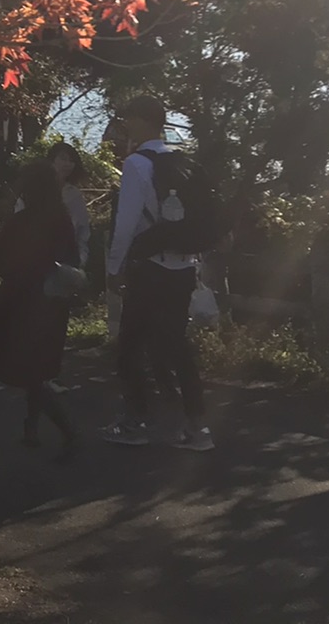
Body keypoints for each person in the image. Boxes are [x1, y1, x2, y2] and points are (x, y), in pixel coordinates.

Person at [102, 96, 212, 451]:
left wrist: (113, 267)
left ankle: (136, 421)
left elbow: (126, 222)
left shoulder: (136, 164)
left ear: (143, 122)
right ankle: (197, 428)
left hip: (149, 268)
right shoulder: (180, 160)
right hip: (183, 266)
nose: (126, 124)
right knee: (177, 346)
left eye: (129, 118)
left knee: (130, 347)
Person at [0, 160, 83, 454]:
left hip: (22, 302)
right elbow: (73, 258)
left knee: (29, 371)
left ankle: (68, 430)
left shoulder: (23, 220)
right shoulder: (62, 218)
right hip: (54, 301)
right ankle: (31, 428)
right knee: (39, 368)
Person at [14, 140, 93, 267]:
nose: (67, 164)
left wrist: (81, 260)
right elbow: (18, 225)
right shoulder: (32, 191)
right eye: (63, 158)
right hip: (32, 262)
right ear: (51, 160)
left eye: (71, 161)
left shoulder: (74, 195)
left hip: (66, 263)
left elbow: (82, 232)